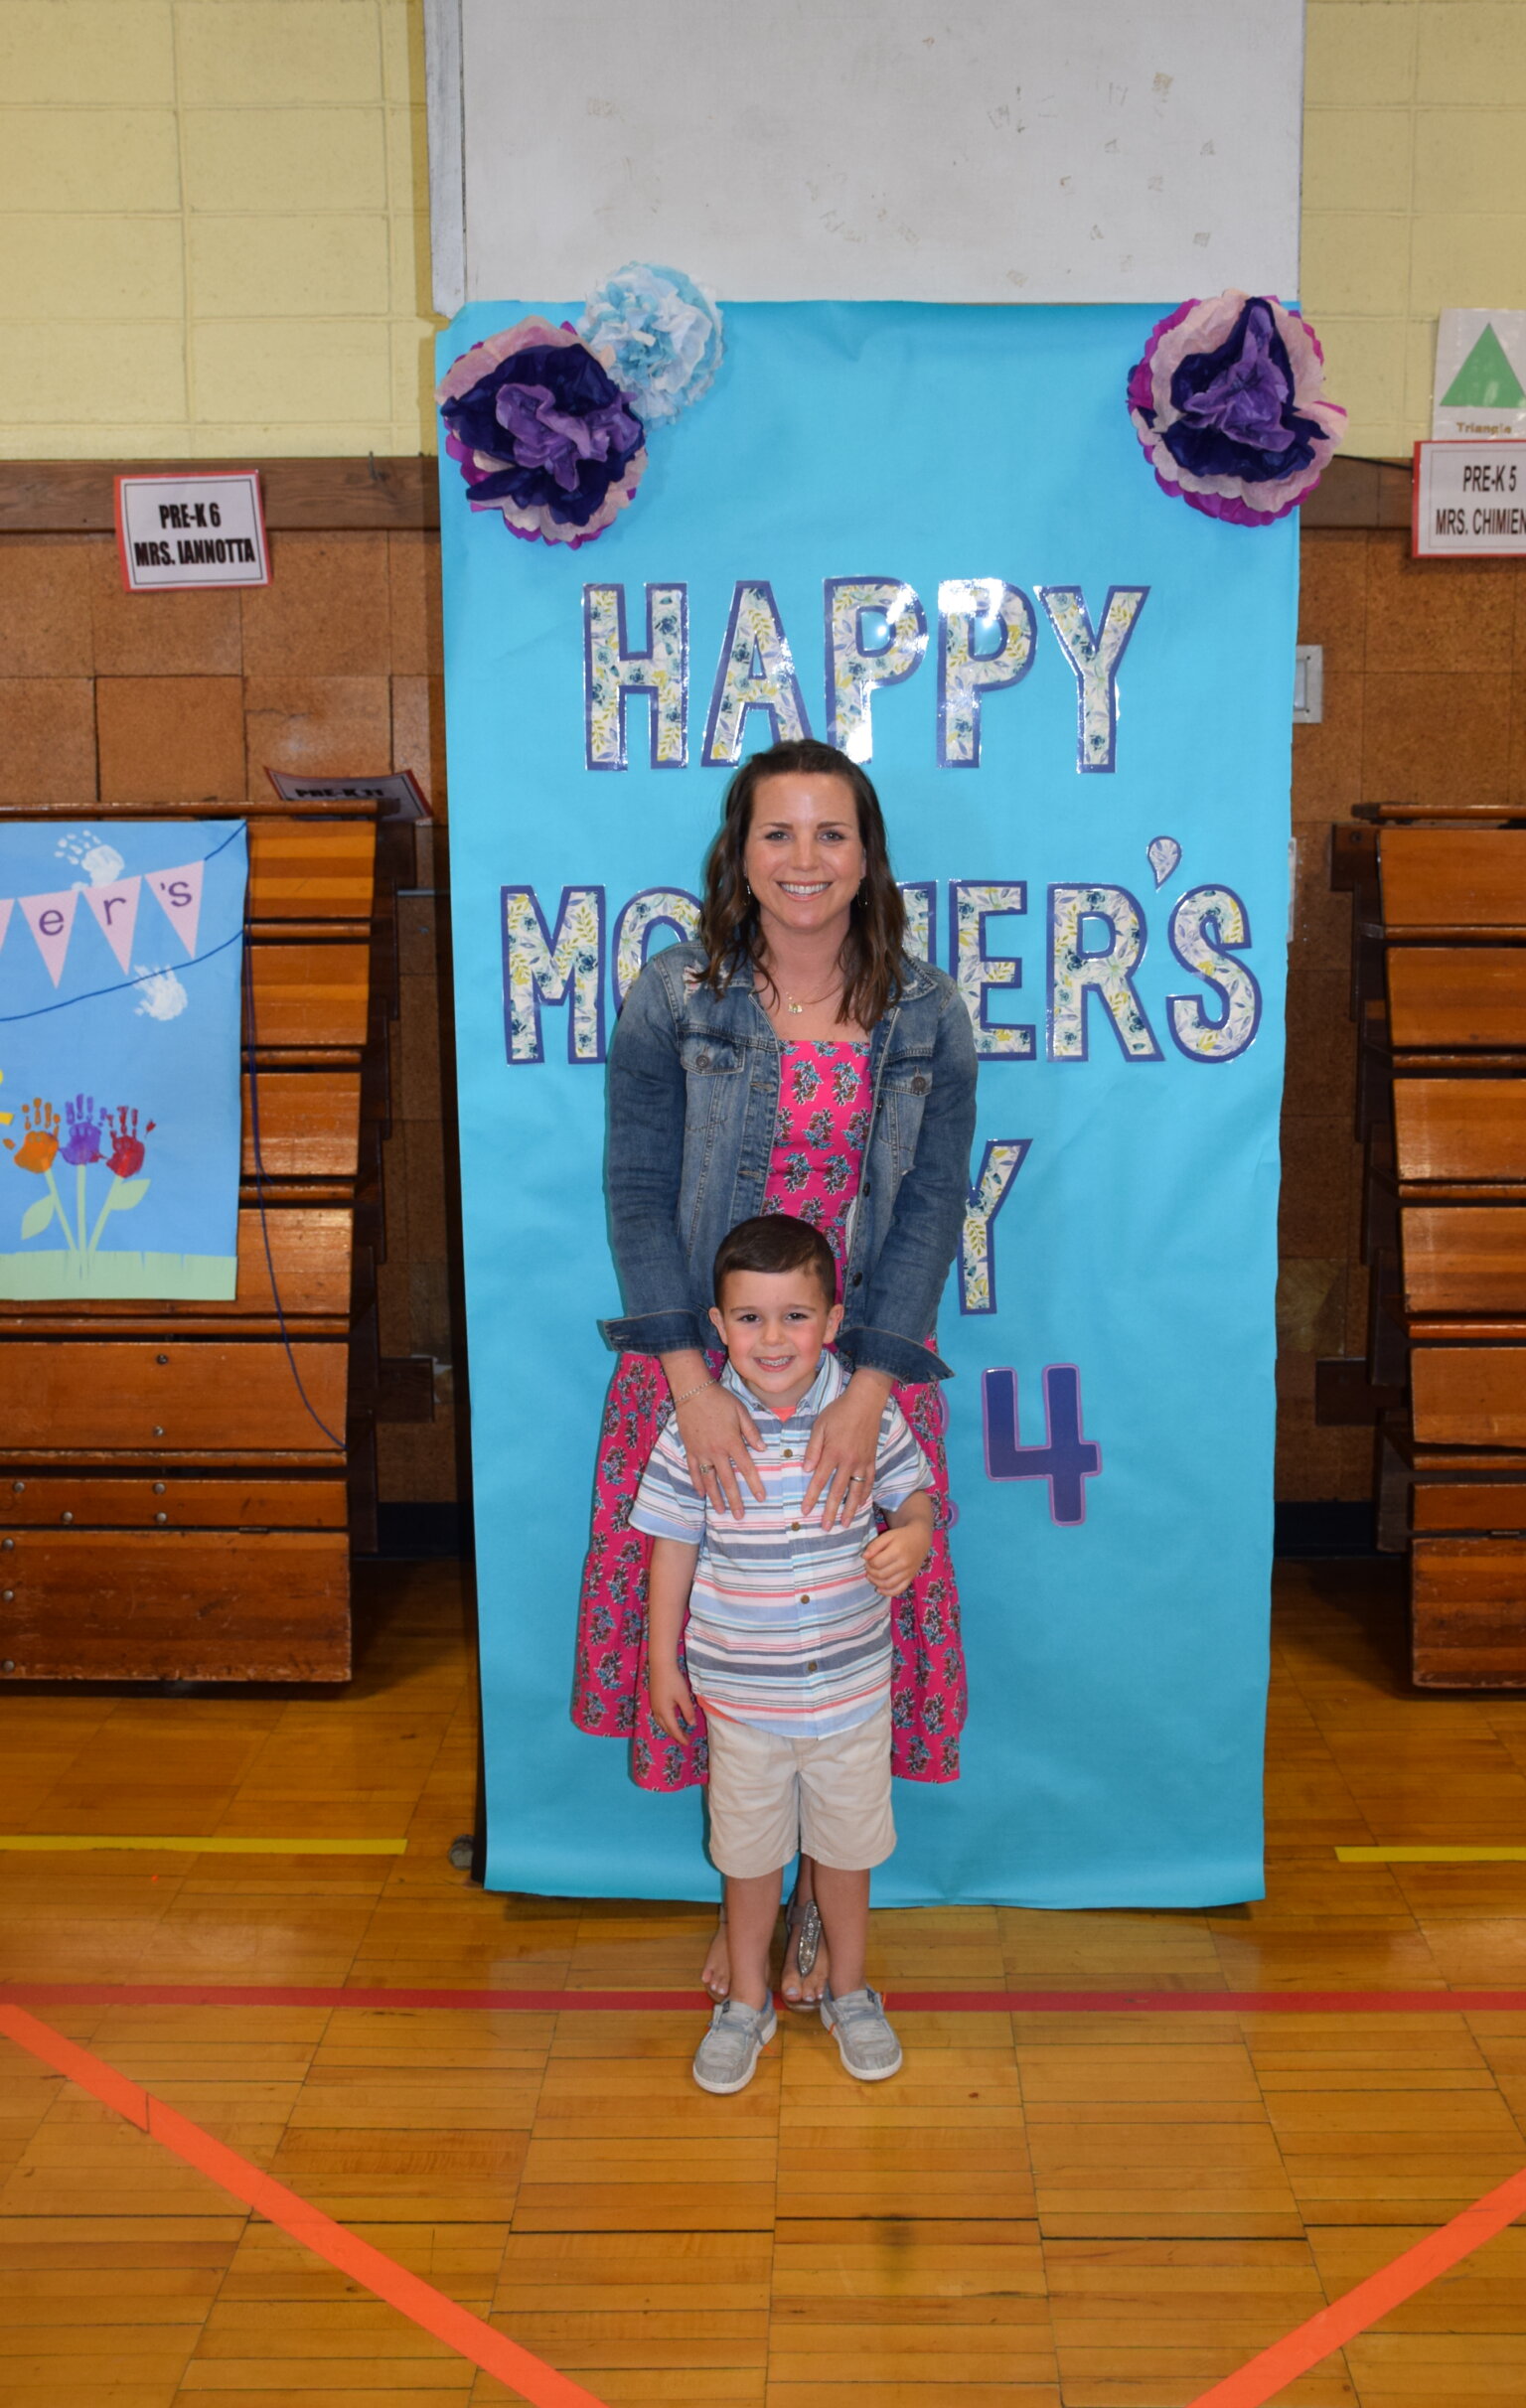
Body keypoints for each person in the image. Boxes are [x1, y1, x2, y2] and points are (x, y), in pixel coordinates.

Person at [572, 735, 977, 2006]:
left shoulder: (925, 1008)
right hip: (703, 1367)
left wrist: (866, 1388)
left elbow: (926, 1201)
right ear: (738, 855)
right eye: (778, 833)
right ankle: (747, 1905)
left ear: (868, 858)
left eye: (832, 833)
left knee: (838, 1634)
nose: (805, 860)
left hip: (861, 1370)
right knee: (727, 1631)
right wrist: (693, 1383)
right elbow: (638, 1192)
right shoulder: (672, 996)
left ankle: (817, 1902)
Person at [635, 1213, 937, 2091]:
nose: (775, 1338)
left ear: (833, 1321)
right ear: (718, 1325)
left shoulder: (862, 1418)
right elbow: (672, 1544)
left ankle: (851, 1993)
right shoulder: (698, 1429)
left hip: (849, 1694)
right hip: (742, 1700)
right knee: (747, 1853)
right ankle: (746, 2004)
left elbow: (915, 1500)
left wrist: (912, 1535)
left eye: (796, 1316)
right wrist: (663, 1660)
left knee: (846, 1852)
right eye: (752, 1318)